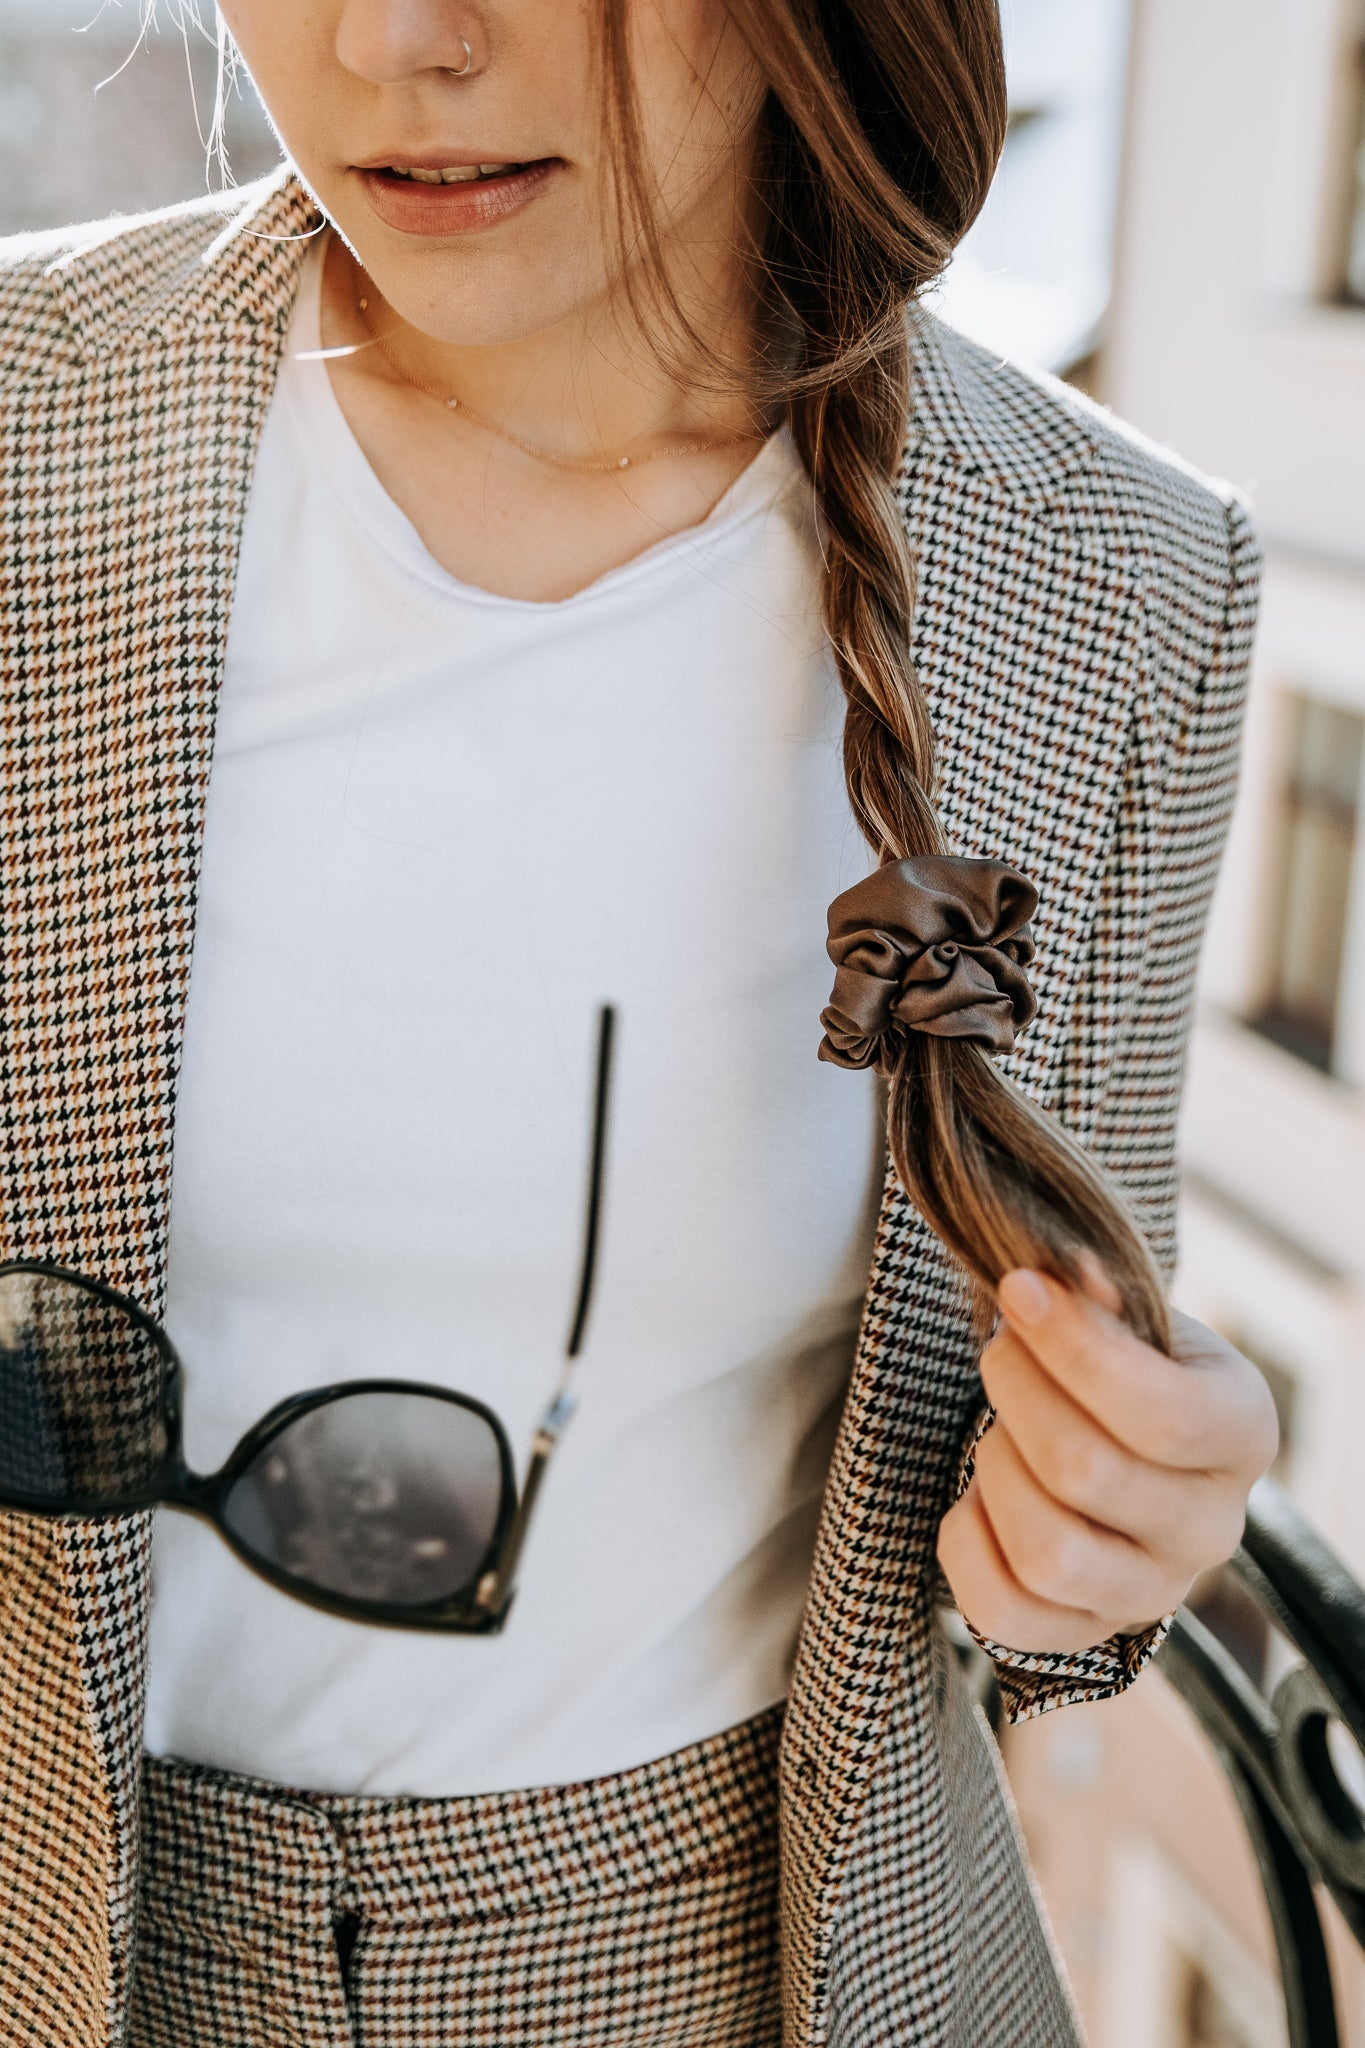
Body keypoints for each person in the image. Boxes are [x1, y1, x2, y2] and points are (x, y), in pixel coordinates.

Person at [0, 3, 1277, 2044]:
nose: (397, 42)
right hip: (63, 1926)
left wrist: (1126, 1519)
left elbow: (1037, 1555)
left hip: (744, 1957)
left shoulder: (1118, 584)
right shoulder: (21, 428)